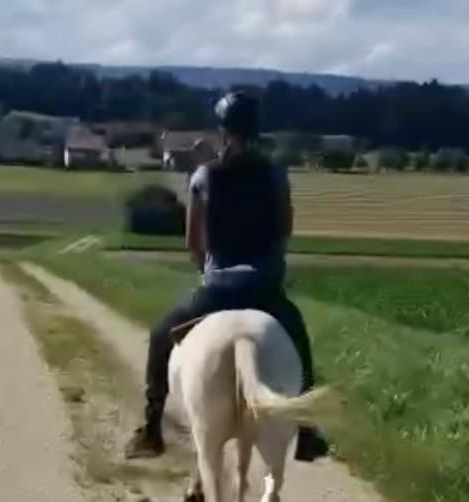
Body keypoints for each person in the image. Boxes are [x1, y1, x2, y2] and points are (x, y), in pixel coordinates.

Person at [125, 91, 328, 462]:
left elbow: (193, 240)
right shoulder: (275, 174)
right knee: (298, 338)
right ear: (256, 129)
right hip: (264, 285)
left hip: (218, 287)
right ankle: (305, 429)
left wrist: (207, 270)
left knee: (160, 335)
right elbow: (284, 227)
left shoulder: (205, 176)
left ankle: (152, 429)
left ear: (223, 130)